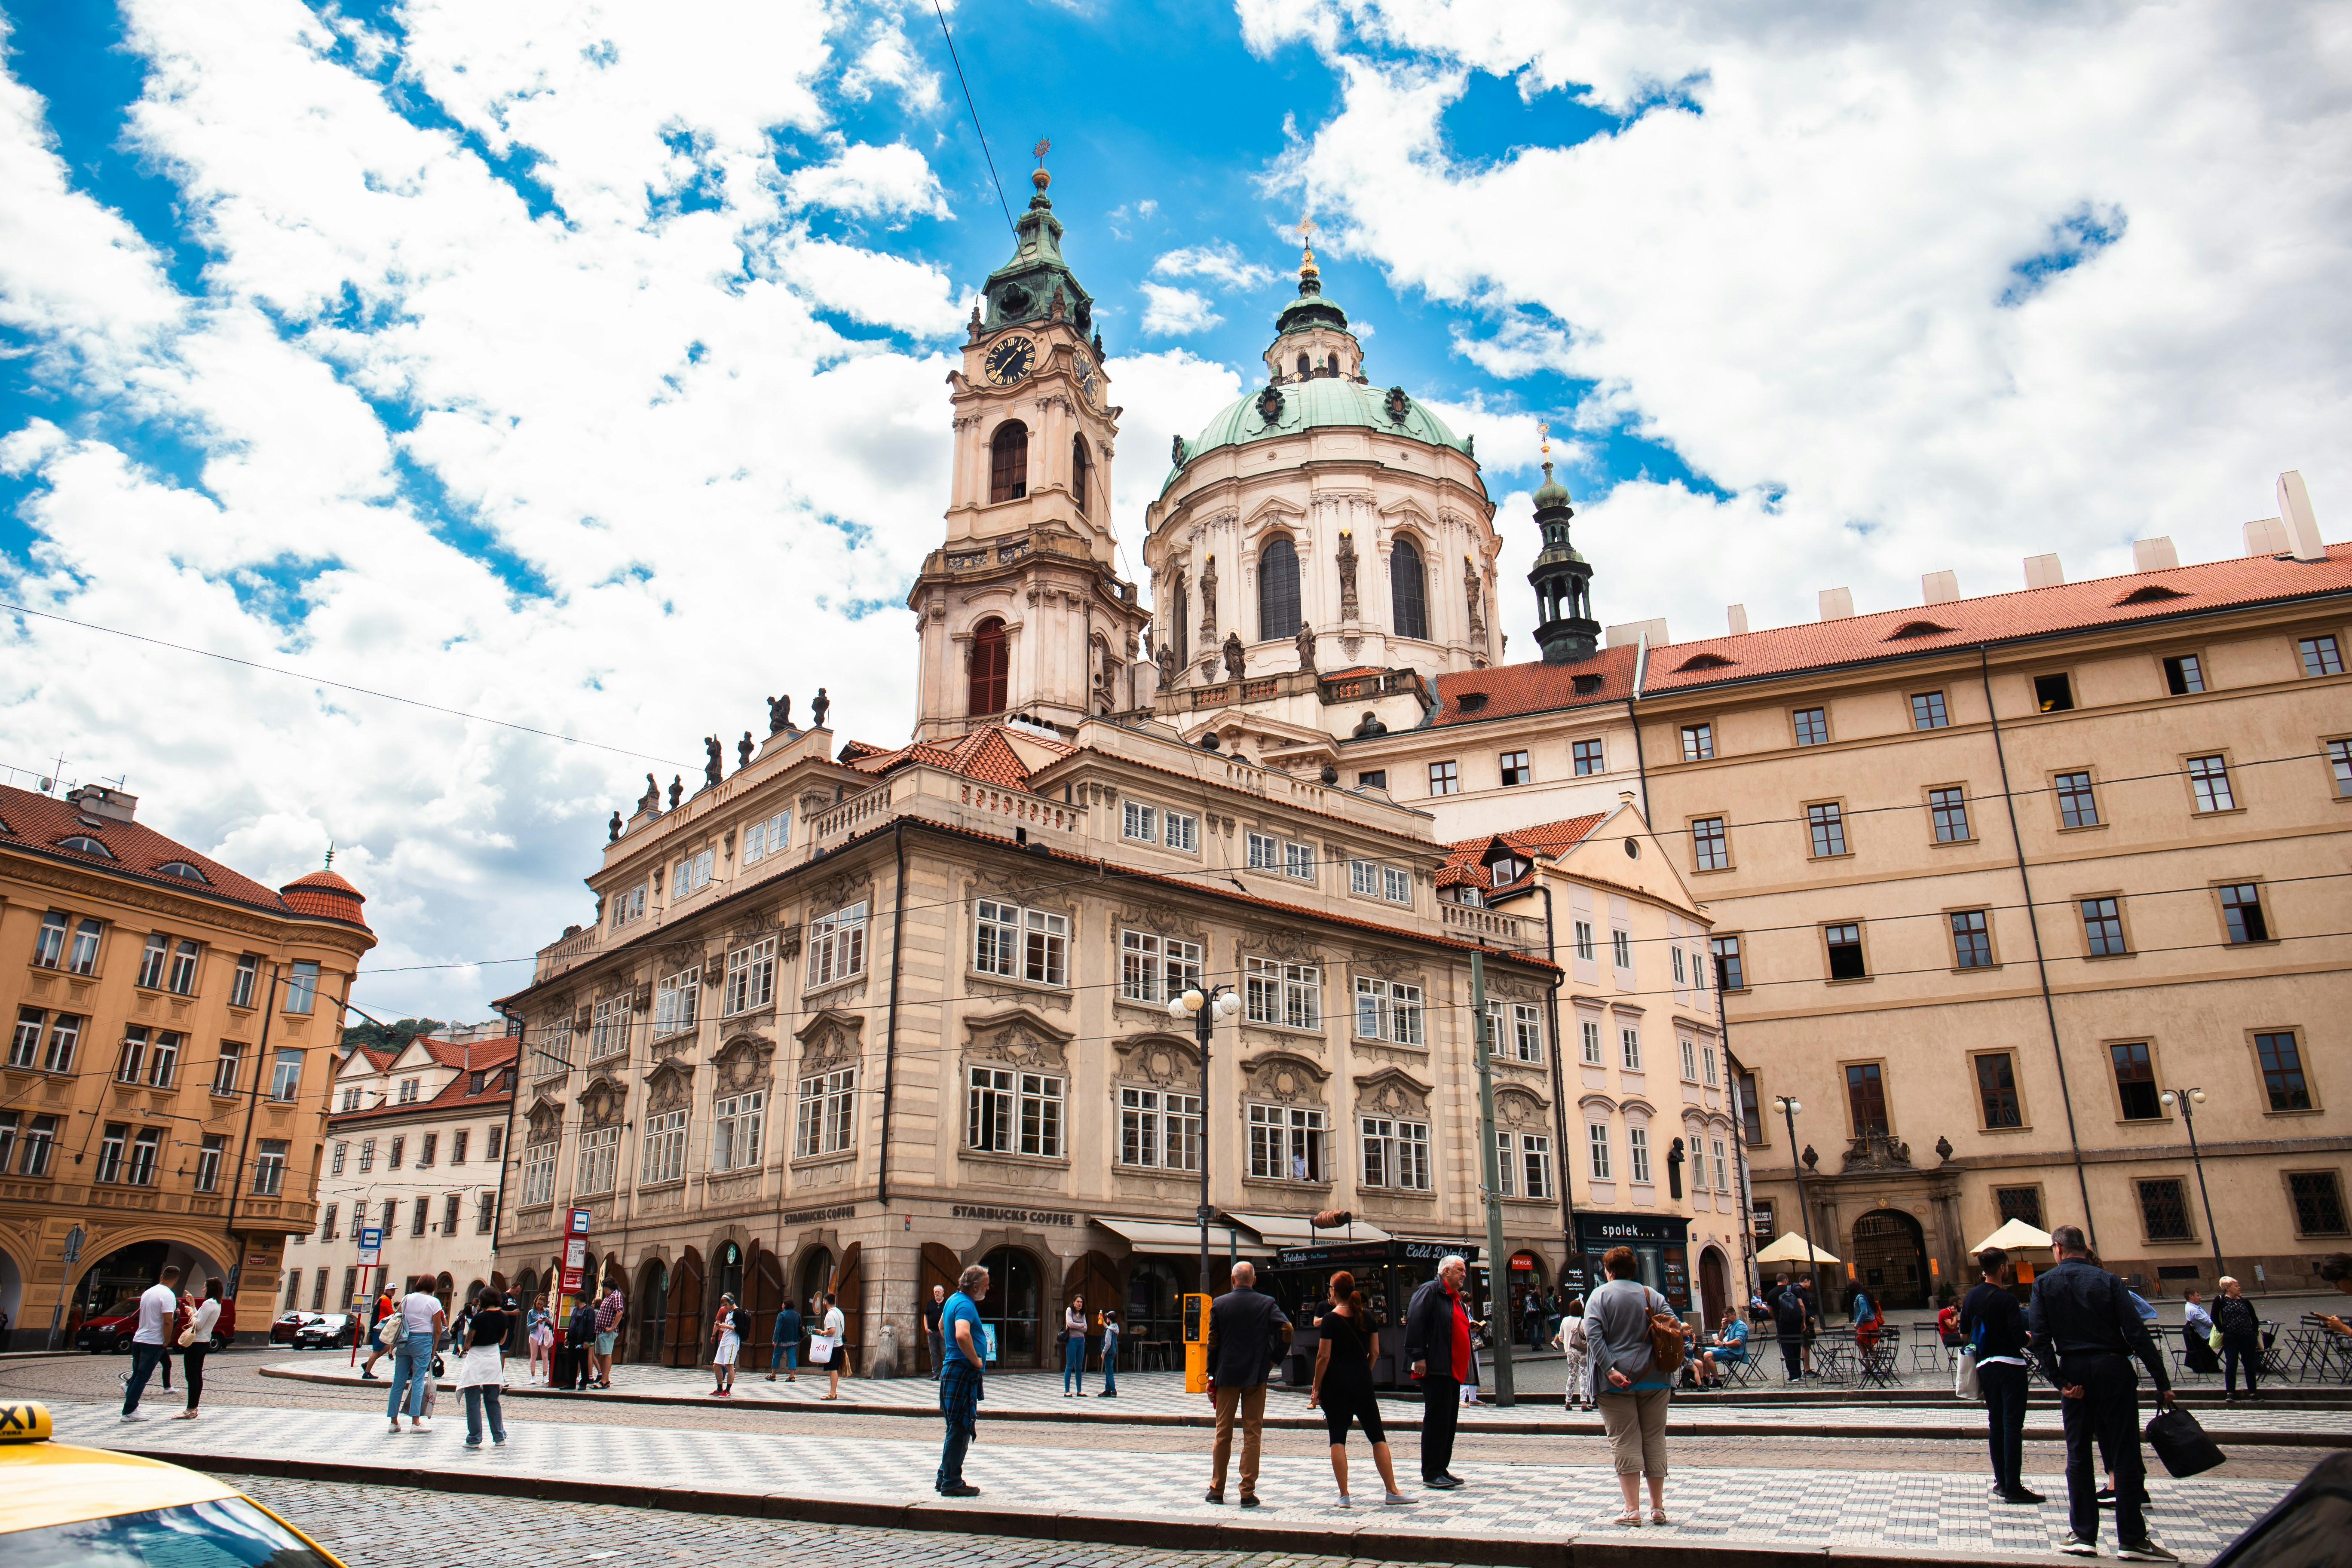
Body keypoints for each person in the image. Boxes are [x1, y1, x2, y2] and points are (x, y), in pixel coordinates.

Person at [2027, 1223, 2176, 1561]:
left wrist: (2060, 1381)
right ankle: (2132, 1539)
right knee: (2124, 1452)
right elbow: (2137, 1332)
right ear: (2084, 1248)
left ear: (2058, 1249)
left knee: (2078, 1452)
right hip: (2113, 1367)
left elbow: (2040, 1338)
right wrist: (2162, 1382)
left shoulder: (2043, 1283)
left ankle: (2083, 1535)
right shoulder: (2107, 1279)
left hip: (2075, 1372)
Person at [1586, 1244, 1676, 1527]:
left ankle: (1632, 1510)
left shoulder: (1599, 1296)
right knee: (1654, 1439)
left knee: (1624, 1440)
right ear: (1635, 1270)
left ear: (1608, 1271)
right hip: (1656, 1377)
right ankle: (1658, 1508)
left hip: (1615, 1383)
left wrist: (1611, 1369)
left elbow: (1594, 1336)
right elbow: (1674, 1327)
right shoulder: (1653, 1295)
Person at [1309, 1271, 1413, 1508]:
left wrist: (1317, 1387)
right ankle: (1392, 1490)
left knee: (1337, 1438)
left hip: (1336, 1384)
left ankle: (1344, 1495)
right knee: (1377, 1436)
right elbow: (1375, 1352)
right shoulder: (1367, 1316)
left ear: (1333, 1292)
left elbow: (1323, 1357)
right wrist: (1363, 1370)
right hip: (1362, 1382)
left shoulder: (1330, 1320)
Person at [1204, 1260, 1292, 1507]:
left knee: (1223, 1432)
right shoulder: (1266, 1303)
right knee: (1252, 1433)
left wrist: (1212, 1374)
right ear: (1254, 1280)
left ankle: (1217, 1489)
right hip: (1256, 1375)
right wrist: (1274, 1360)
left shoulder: (1220, 1304)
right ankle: (1247, 1492)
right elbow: (1287, 1329)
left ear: (1233, 1280)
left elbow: (1213, 1342)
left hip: (1227, 1375)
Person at [1961, 1247, 2042, 1505]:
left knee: (1996, 1423)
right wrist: (2031, 1340)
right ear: (2004, 1268)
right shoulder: (2006, 1299)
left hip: (1985, 1366)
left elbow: (1964, 1336)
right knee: (2012, 1425)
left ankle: (2001, 1482)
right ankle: (2014, 1486)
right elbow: (2019, 1337)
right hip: (2011, 1365)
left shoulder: (1971, 1296)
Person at [1403, 1254, 1472, 1491]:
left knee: (1448, 1420)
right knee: (1437, 1419)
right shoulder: (1431, 1291)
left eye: (1464, 1270)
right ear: (1446, 1272)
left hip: (1451, 1370)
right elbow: (1415, 1320)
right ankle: (1431, 1472)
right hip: (1435, 1367)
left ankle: (1441, 1468)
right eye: (1460, 1270)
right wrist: (1418, 1356)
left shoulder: (1453, 1297)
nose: (1465, 1274)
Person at [936, 1264, 989, 1496]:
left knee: (955, 1427)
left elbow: (941, 1326)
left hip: (954, 1370)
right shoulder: (966, 1305)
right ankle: (952, 1482)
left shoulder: (952, 1301)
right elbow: (961, 1333)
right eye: (985, 1286)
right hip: (961, 1372)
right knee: (959, 1427)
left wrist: (952, 1350)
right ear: (975, 1286)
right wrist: (976, 1360)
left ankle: (944, 1476)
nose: (987, 1290)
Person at [119, 1265, 181, 1421]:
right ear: (176, 1280)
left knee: (136, 1375)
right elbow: (168, 1320)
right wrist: (167, 1340)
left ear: (161, 1276)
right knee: (142, 1377)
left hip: (139, 1338)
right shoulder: (168, 1295)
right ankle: (130, 1411)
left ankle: (130, 1408)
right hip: (153, 1341)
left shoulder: (148, 1292)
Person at [386, 1274, 445, 1433]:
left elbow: (397, 1319)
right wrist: (434, 1349)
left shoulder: (406, 1299)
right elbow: (438, 1329)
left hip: (404, 1340)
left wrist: (393, 1345)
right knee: (418, 1380)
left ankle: (393, 1422)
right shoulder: (434, 1302)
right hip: (423, 1341)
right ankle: (416, 1422)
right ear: (433, 1287)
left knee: (398, 1381)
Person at [459, 1286, 510, 1449]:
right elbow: (502, 1341)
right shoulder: (504, 1317)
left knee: (473, 1400)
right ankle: (499, 1436)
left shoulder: (479, 1318)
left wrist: (469, 1344)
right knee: (493, 1399)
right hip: (493, 1358)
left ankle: (475, 1438)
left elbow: (467, 1343)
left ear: (483, 1301)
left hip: (476, 1359)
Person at [175, 1277, 224, 1420]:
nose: (202, 1289)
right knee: (196, 1375)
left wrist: (190, 1312)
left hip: (196, 1343)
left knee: (192, 1376)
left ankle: (191, 1409)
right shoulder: (216, 1304)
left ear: (211, 1289)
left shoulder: (209, 1303)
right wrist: (194, 1306)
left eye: (205, 1287)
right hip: (203, 1342)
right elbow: (202, 1319)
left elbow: (199, 1324)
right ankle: (193, 1408)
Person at [2213, 1276, 2263, 1402]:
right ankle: (2230, 1392)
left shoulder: (2244, 1301)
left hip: (2247, 1336)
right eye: (2236, 1286)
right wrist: (2223, 1331)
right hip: (2231, 1337)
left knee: (2249, 1365)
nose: (2239, 1288)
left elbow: (2254, 1317)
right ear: (2227, 1288)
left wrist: (2254, 1333)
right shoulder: (2221, 1300)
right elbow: (2214, 1317)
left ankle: (2253, 1393)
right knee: (2232, 1364)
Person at [1769, 1272, 1808, 1382]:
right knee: (1796, 1347)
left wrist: (1776, 1320)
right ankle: (1799, 1373)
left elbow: (1770, 1311)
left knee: (1787, 1349)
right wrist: (1803, 1321)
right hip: (1795, 1323)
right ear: (1786, 1280)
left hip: (1782, 1324)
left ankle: (1793, 1375)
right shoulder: (1793, 1290)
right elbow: (1801, 1306)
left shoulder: (1772, 1293)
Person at [1558, 1297, 1591, 1411]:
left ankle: (1568, 1401)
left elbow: (1561, 1338)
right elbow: (1588, 1336)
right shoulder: (1582, 1322)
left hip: (1569, 1351)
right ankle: (1584, 1402)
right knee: (1584, 1374)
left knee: (1572, 1375)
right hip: (1581, 1351)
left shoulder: (1565, 1321)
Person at [360, 1283, 397, 1380]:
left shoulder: (383, 1298)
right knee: (377, 1350)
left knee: (387, 1347)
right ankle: (367, 1373)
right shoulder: (385, 1299)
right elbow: (391, 1314)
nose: (393, 1292)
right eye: (391, 1290)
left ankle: (368, 1364)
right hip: (378, 1327)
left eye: (394, 1290)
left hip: (377, 1327)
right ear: (387, 1291)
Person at [2179, 1289, 2220, 1375]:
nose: (2200, 1298)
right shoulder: (2193, 1310)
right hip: (2209, 1334)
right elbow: (2210, 1323)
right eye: (2198, 1296)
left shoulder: (2193, 1307)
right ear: (2191, 1297)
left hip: (2209, 1332)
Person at [593, 1279, 624, 1390]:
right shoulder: (609, 1296)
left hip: (607, 1332)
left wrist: (613, 1327)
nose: (603, 1290)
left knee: (606, 1355)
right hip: (601, 1331)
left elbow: (620, 1312)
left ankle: (604, 1381)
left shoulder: (616, 1295)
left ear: (608, 1286)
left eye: (604, 1287)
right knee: (601, 1354)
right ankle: (605, 1379)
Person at [710, 1292, 743, 1396]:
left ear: (731, 1302)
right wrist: (721, 1327)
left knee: (730, 1366)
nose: (725, 1307)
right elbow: (728, 1329)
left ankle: (727, 1390)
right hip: (724, 1341)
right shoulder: (729, 1313)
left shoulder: (738, 1313)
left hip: (732, 1342)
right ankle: (720, 1388)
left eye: (725, 1305)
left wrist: (727, 1327)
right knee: (717, 1365)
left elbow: (739, 1330)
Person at [564, 1291, 597, 1391]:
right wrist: (568, 1338)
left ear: (579, 1300)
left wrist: (587, 1340)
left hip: (582, 1340)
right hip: (573, 1339)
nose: (574, 1301)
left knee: (583, 1362)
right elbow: (572, 1324)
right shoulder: (575, 1310)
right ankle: (571, 1382)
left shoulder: (588, 1311)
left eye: (575, 1299)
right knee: (572, 1362)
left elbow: (591, 1326)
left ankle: (584, 1383)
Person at [819, 1291, 848, 1400]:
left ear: (826, 1302)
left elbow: (832, 1331)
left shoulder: (830, 1315)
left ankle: (833, 1393)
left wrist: (822, 1333)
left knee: (833, 1369)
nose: (823, 1302)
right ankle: (833, 1392)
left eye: (823, 1300)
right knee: (833, 1368)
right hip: (839, 1343)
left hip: (833, 1345)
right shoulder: (839, 1312)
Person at [769, 1295, 801, 1382]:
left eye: (783, 1304)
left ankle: (773, 1375)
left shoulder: (782, 1315)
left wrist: (775, 1340)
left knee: (776, 1356)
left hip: (782, 1340)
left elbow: (778, 1328)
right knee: (792, 1356)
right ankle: (792, 1376)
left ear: (785, 1305)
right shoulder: (797, 1315)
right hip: (793, 1340)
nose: (782, 1306)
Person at [1063, 1294, 1088, 1396]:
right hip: (1072, 1339)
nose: (1079, 1304)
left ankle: (1079, 1390)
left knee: (1079, 1366)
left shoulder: (1082, 1313)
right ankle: (1067, 1391)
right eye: (1078, 1302)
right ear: (1074, 1302)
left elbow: (1086, 1328)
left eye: (1081, 1302)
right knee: (1070, 1365)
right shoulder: (1069, 1311)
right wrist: (1081, 1325)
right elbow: (1070, 1324)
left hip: (1081, 1340)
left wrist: (1078, 1325)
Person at [526, 1292, 553, 1384]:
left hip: (544, 1335)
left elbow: (551, 1323)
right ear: (536, 1302)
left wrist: (548, 1321)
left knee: (545, 1356)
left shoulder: (547, 1311)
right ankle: (533, 1376)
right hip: (534, 1335)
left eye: (541, 1304)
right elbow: (528, 1326)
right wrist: (537, 1322)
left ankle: (545, 1376)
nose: (539, 1306)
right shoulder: (531, 1312)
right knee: (534, 1355)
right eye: (538, 1304)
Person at [1713, 1308, 1750, 1372]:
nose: (1726, 1319)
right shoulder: (1730, 1325)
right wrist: (1723, 1328)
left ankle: (1717, 1380)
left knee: (1707, 1355)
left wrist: (1723, 1344)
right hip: (1725, 1349)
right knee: (1700, 1352)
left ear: (1734, 1315)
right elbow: (1721, 1339)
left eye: (1728, 1317)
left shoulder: (1740, 1325)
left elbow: (1738, 1342)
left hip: (1734, 1352)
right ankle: (1705, 1377)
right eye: (1725, 1317)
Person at [923, 1284, 946, 1379]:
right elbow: (926, 1316)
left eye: (938, 1292)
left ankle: (946, 1374)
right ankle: (936, 1374)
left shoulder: (947, 1302)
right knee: (933, 1353)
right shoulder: (931, 1303)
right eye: (935, 1292)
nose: (937, 1294)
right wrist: (926, 1328)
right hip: (932, 1332)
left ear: (943, 1293)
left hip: (943, 1333)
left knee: (945, 1353)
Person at [1098, 1307, 1120, 1398]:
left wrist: (1103, 1353)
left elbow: (1107, 1343)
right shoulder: (1115, 1327)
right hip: (1113, 1352)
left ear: (1109, 1319)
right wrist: (1103, 1323)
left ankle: (1113, 1390)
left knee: (1109, 1371)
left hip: (1108, 1353)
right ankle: (1107, 1389)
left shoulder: (1109, 1331)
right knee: (1108, 1370)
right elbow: (1108, 1328)